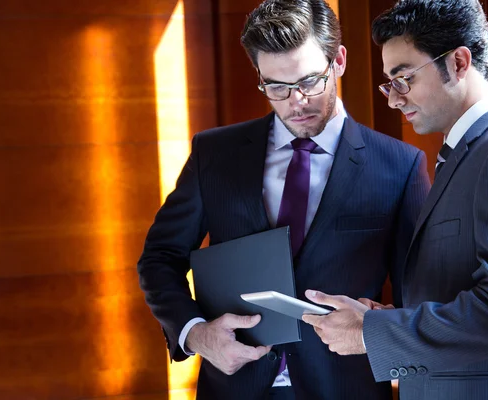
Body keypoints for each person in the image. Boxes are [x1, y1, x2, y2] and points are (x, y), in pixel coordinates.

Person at [137, 0, 430, 398]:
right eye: (276, 85)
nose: (297, 101)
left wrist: (382, 330)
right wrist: (196, 334)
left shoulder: (400, 166)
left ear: (338, 61)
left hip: (345, 388)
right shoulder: (215, 155)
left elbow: (420, 297)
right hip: (234, 387)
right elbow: (159, 258)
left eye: (310, 81)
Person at [302, 1, 488, 399]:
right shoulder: (464, 156)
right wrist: (387, 319)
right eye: (389, 83)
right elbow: (462, 294)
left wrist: (372, 334)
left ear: (458, 62)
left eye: (403, 79)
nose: (393, 99)